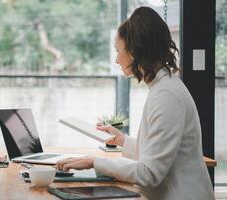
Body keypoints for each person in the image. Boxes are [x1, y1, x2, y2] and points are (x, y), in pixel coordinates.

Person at [56, 7, 214, 200]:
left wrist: (94, 162)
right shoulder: (164, 87)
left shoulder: (167, 96)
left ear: (134, 51)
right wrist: (123, 141)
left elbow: (150, 173)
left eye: (118, 51)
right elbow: (156, 153)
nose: (116, 59)